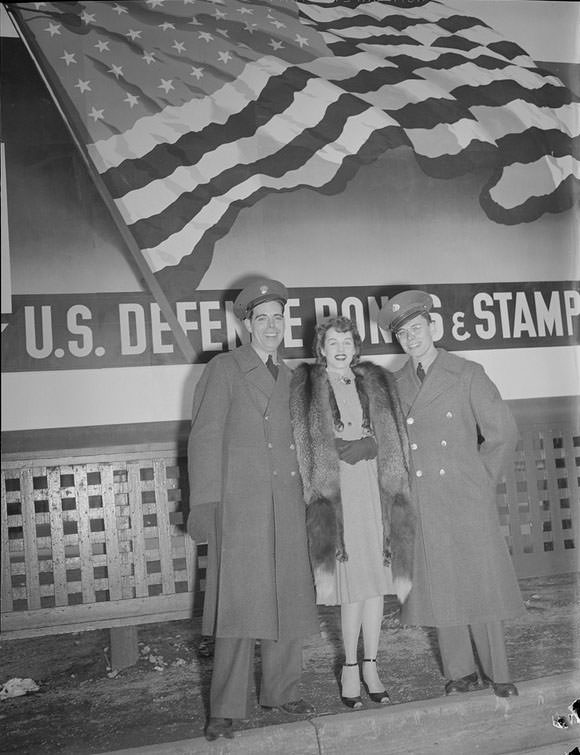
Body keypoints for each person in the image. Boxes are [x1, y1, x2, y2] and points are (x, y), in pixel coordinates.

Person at [187, 277, 319, 741]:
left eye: (277, 318)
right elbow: (203, 439)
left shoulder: (294, 376)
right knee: (238, 604)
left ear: (285, 324)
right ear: (246, 325)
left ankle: (282, 690)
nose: (270, 326)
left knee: (286, 596)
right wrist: (206, 507)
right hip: (239, 508)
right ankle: (226, 706)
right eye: (261, 318)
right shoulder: (223, 368)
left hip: (286, 505)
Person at [378, 289, 526, 698]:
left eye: (417, 327)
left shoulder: (467, 373)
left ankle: (499, 672)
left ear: (433, 326)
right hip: (423, 499)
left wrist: (480, 479)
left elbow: (503, 433)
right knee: (441, 585)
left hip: (466, 497)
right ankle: (459, 672)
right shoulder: (393, 385)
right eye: (403, 333)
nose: (412, 338)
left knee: (481, 583)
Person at [290, 315, 415, 708]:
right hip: (340, 493)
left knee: (377, 582)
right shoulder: (308, 385)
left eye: (347, 341)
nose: (341, 348)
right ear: (321, 348)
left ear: (355, 346)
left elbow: (395, 434)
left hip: (374, 487)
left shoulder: (375, 380)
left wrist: (374, 446)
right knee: (353, 585)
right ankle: (348, 666)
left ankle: (372, 665)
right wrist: (336, 452)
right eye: (332, 342)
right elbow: (301, 440)